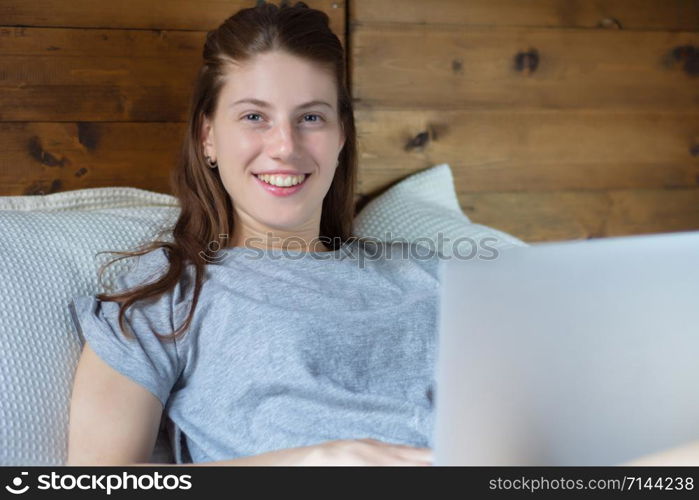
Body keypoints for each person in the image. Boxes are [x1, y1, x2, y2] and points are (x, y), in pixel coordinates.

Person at [66, 1, 438, 466]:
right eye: (254, 117)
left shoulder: (433, 274)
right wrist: (308, 463)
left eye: (311, 118)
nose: (285, 146)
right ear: (208, 137)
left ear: (341, 135)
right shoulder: (168, 295)